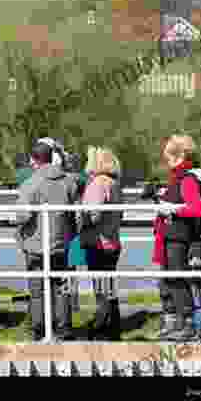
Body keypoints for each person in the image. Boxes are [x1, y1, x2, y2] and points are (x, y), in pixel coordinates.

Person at [16, 138, 79, 341]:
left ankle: (39, 329)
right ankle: (64, 329)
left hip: (36, 245)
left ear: (34, 160)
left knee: (37, 290)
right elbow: (76, 214)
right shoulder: (69, 181)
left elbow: (23, 215)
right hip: (62, 244)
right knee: (61, 288)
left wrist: (17, 225)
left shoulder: (31, 183)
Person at [153, 134, 201, 342]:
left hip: (178, 236)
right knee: (172, 280)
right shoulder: (179, 178)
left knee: (178, 279)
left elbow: (196, 208)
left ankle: (190, 325)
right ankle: (182, 323)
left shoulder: (187, 179)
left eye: (169, 158)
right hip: (173, 234)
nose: (167, 162)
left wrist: (174, 210)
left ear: (178, 157)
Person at [77, 146, 123, 340]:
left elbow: (93, 214)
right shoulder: (114, 184)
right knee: (109, 288)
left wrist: (80, 220)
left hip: (98, 242)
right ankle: (113, 326)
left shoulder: (97, 184)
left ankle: (102, 327)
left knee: (101, 289)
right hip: (112, 241)